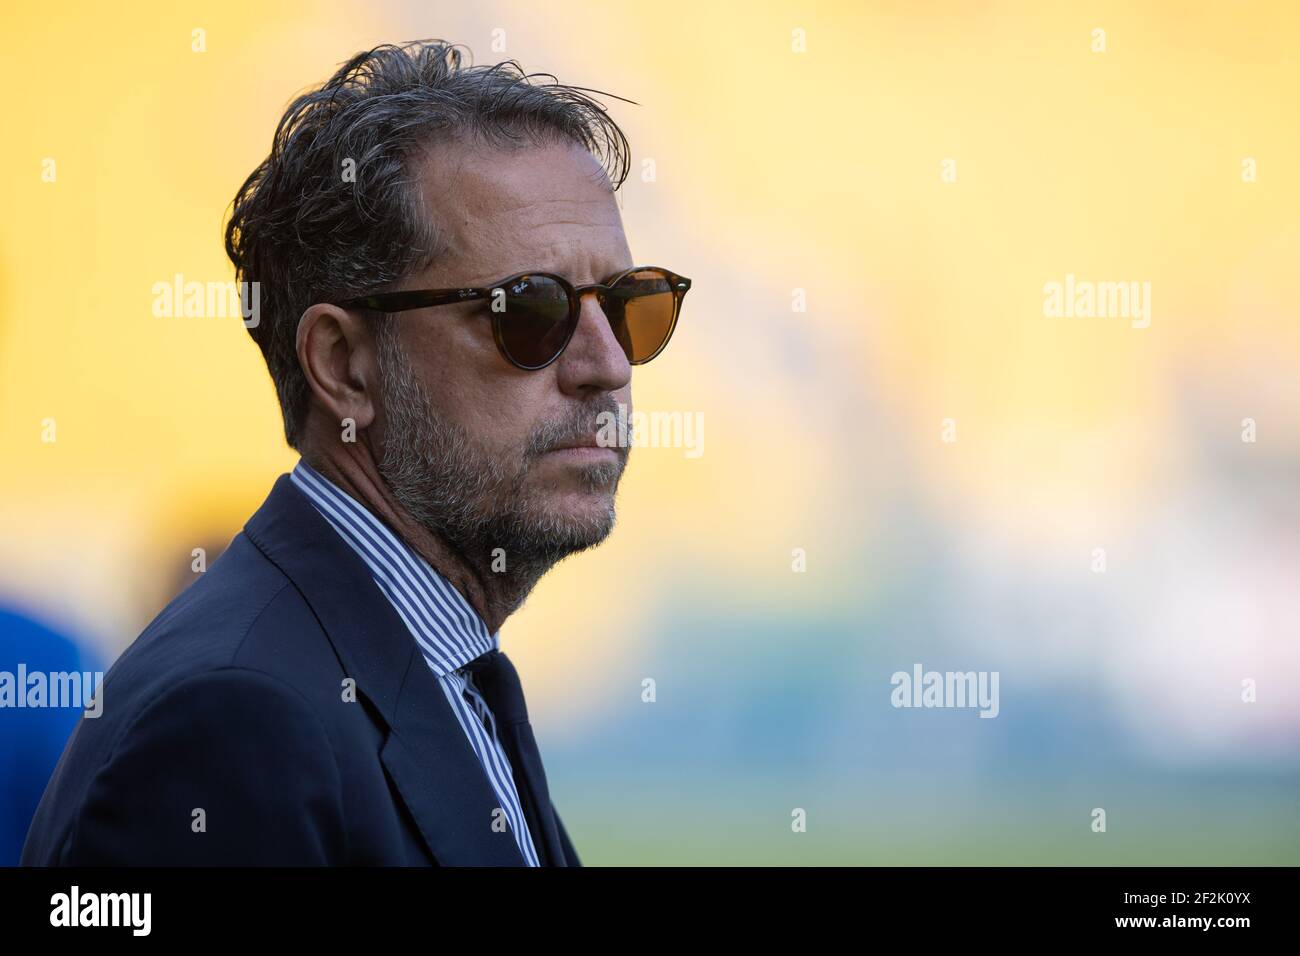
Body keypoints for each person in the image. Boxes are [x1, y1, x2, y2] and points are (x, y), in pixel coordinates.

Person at [22, 39, 691, 866]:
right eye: (530, 312)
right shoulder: (230, 723)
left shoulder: (442, 663)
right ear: (343, 366)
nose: (608, 366)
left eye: (631, 305)